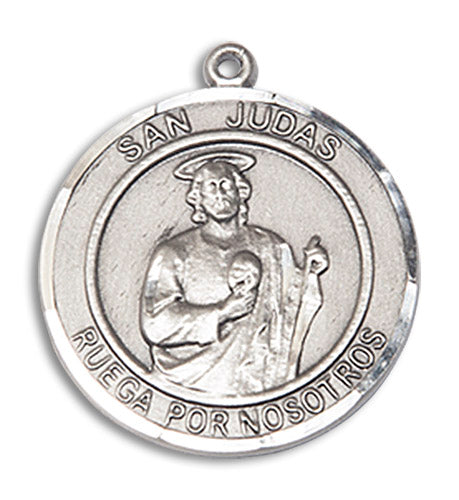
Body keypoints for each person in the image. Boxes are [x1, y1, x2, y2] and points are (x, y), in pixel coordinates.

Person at [140, 152, 328, 396]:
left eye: (226, 185)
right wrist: (222, 312)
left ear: (241, 192)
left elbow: (289, 304)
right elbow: (155, 324)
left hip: (255, 380)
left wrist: (311, 273)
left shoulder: (270, 245)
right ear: (198, 197)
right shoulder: (173, 252)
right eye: (211, 186)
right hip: (188, 383)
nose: (220, 193)